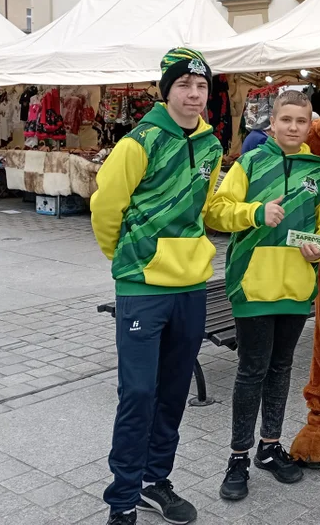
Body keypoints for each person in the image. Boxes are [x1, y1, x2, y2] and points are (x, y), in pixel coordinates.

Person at [91, 48, 224, 525]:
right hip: (142, 288)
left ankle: (154, 482)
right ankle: (122, 501)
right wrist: (127, 259)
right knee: (139, 395)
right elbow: (106, 209)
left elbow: (207, 211)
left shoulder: (210, 146)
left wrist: (253, 214)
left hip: (191, 286)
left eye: (201, 86)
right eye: (184, 84)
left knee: (171, 392)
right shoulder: (139, 142)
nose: (193, 94)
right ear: (165, 90)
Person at [207, 90, 320, 502]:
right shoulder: (248, 163)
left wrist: (319, 245)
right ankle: (238, 457)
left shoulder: (319, 174)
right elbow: (215, 211)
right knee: (251, 371)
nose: (293, 128)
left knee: (281, 369)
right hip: (253, 286)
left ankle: (269, 447)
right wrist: (254, 212)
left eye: (301, 121)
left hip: (297, 289)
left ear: (310, 125)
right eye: (286, 120)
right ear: (272, 122)